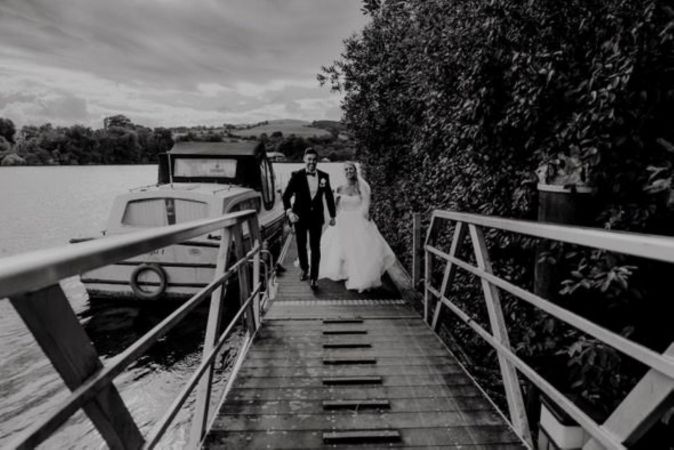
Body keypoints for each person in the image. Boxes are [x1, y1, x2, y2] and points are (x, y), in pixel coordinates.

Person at [319, 162, 396, 292]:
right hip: (342, 220)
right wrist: (333, 219)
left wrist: (366, 220)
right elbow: (336, 208)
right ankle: (343, 271)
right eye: (346, 169)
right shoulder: (339, 188)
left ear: (355, 171)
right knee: (339, 246)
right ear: (343, 172)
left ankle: (357, 274)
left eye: (351, 169)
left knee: (358, 248)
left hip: (357, 219)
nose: (348, 171)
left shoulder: (361, 187)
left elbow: (365, 207)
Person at [282, 147, 336, 290]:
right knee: (301, 245)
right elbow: (286, 196)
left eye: (314, 159)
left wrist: (333, 216)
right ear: (304, 160)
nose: (312, 162)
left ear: (317, 161)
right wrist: (289, 213)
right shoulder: (297, 176)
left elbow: (329, 197)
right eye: (309, 159)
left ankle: (314, 277)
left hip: (316, 217)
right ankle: (304, 268)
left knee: (315, 247)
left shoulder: (324, 176)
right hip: (299, 217)